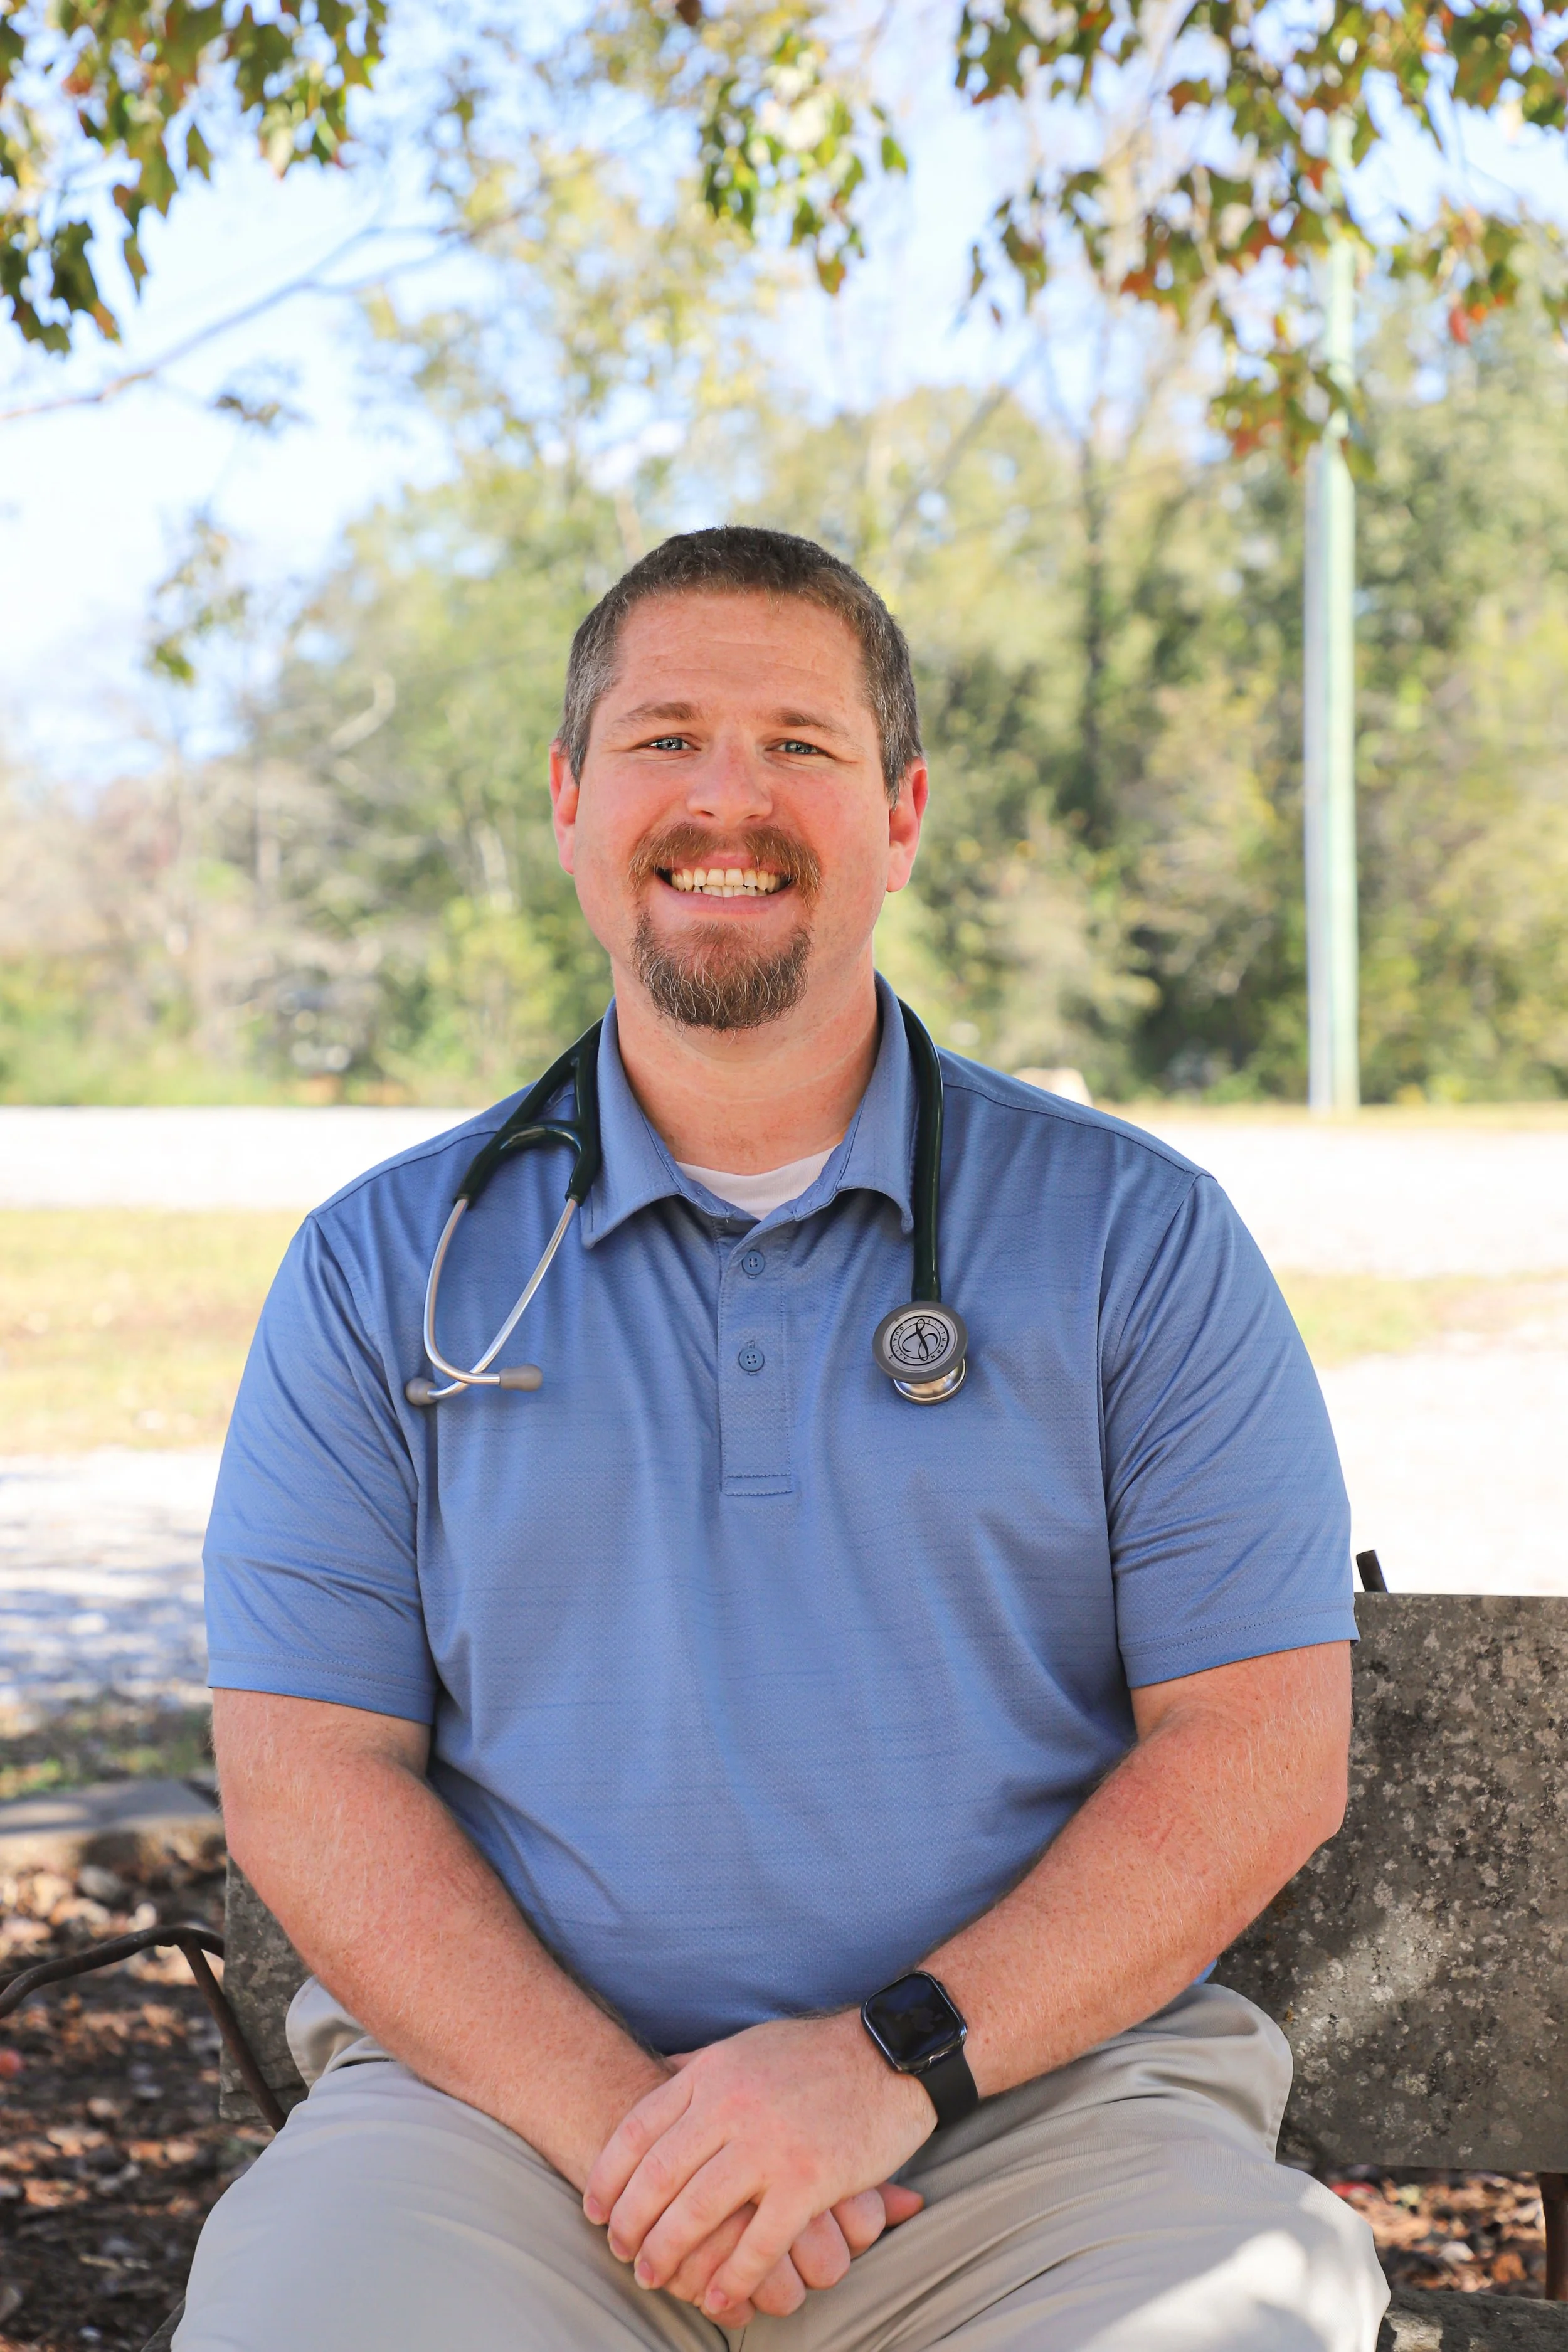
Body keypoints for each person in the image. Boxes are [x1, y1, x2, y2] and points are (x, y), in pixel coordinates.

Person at [177, 526, 1387, 2351]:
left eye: (799, 746)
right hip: (502, 2141)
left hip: (1041, 2135)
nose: (725, 799)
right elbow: (307, 1770)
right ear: (574, 799)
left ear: (900, 811)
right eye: (664, 738)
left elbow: (1258, 1745)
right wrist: (643, 2137)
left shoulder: (1136, 1239)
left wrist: (877, 2069)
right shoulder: (378, 1268)